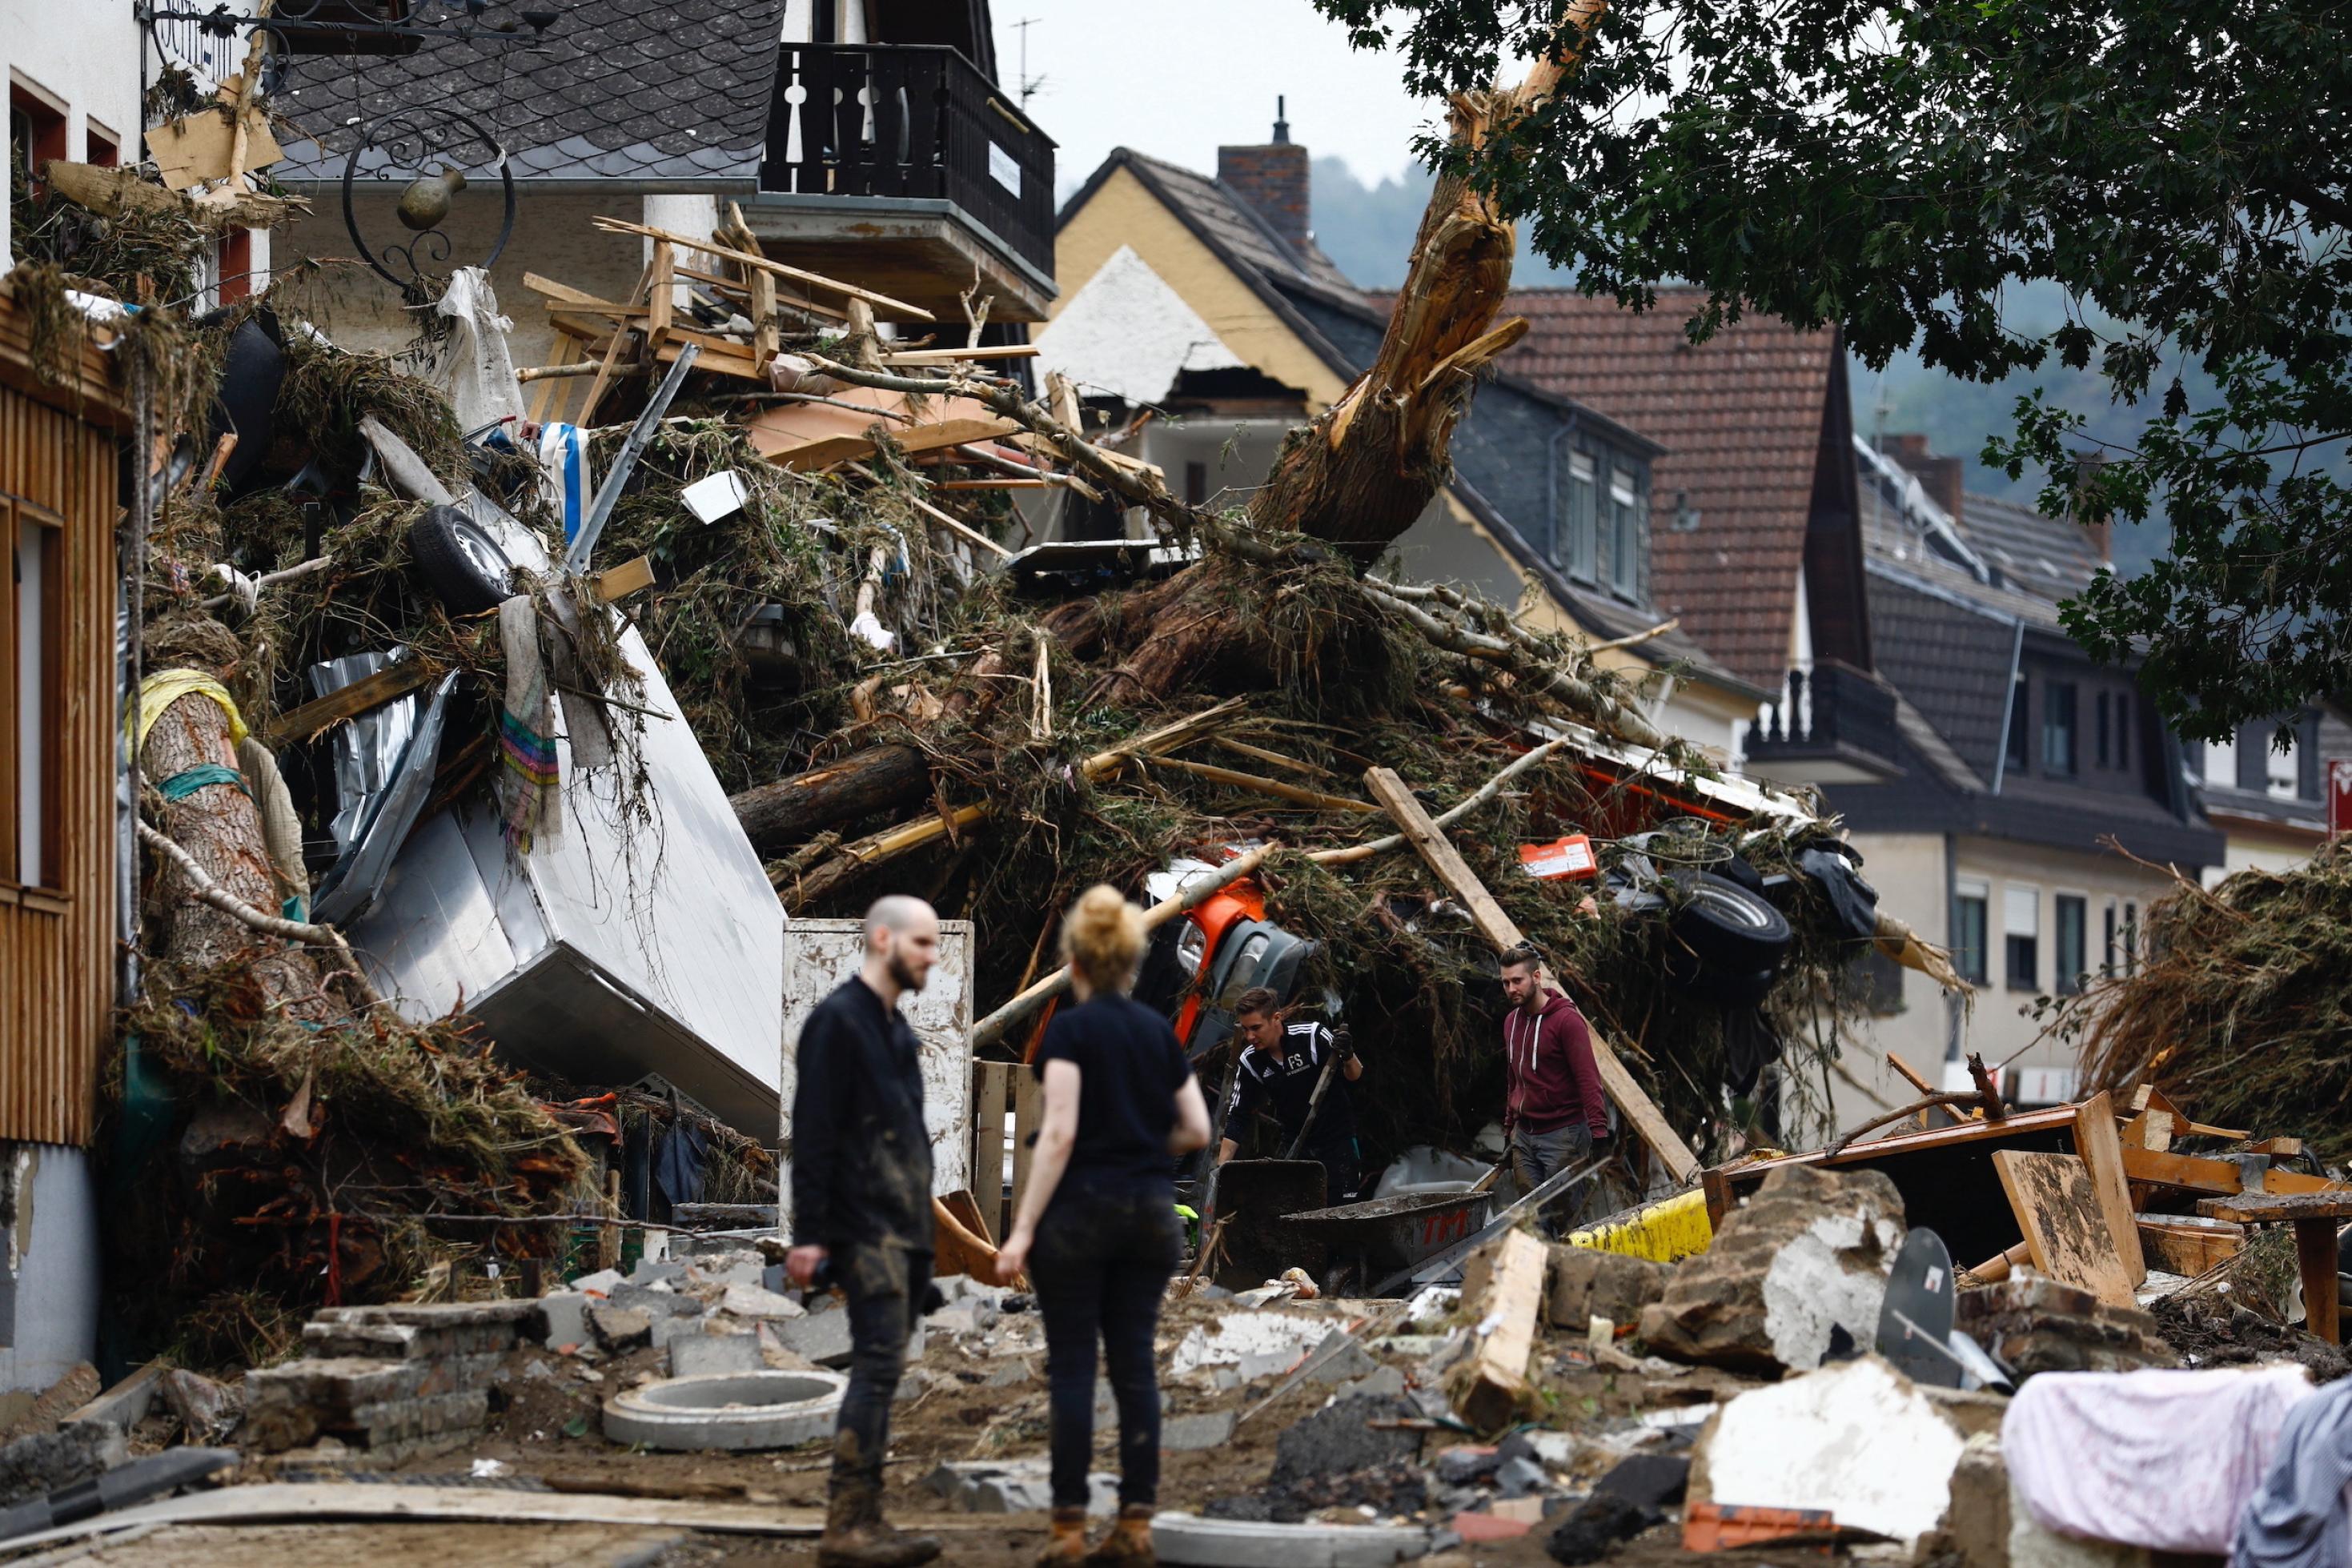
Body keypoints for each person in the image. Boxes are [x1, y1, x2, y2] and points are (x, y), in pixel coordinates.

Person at [997, 885, 1212, 1565]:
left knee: (1072, 1369)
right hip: (1150, 1216)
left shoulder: (1068, 1029)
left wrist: (1023, 1229)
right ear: (1131, 960)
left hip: (1080, 1215)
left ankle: (1067, 1534)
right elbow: (1198, 1129)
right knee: (1134, 1365)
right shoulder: (1155, 1031)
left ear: (1076, 962)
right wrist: (1144, 1141)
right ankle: (1136, 1527)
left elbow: (1057, 1131)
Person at [787, 895, 945, 1568]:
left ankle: (866, 1516)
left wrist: (924, 1248)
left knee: (884, 1366)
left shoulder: (896, 1032)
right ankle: (846, 1523)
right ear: (883, 938)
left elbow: (910, 1143)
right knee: (877, 1365)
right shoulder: (838, 1023)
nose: (931, 958)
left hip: (900, 1230)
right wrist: (810, 1235)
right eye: (921, 943)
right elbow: (815, 1131)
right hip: (862, 1227)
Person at [1498, 943, 1610, 1233]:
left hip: (1564, 1135)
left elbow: (1588, 1078)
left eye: (1517, 981)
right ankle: (1544, 1279)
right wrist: (1509, 1129)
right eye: (1506, 982)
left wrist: (1598, 1132)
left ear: (1536, 978)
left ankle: (1577, 1276)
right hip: (1525, 1135)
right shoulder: (1511, 1022)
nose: (1511, 989)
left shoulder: (1566, 1021)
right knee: (1532, 1222)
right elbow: (1514, 1078)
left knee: (1567, 1220)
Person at [1216, 987, 1365, 1201]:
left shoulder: (1312, 1037)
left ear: (1276, 1018)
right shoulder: (1250, 1061)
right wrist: (1221, 1172)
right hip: (1296, 1145)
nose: (1250, 1036)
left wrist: (1348, 1055)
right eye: (1245, 1029)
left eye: (1256, 1028)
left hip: (1337, 1141)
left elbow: (1355, 1076)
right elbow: (1237, 1117)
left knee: (1342, 1209)